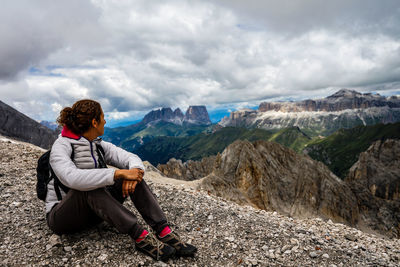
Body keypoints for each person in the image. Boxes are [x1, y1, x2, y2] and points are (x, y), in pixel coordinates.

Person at [46, 99, 197, 261]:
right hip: (62, 218)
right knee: (88, 187)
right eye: (103, 117)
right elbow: (72, 179)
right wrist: (117, 174)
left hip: (94, 213)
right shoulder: (61, 146)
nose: (106, 121)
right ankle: (140, 237)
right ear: (95, 122)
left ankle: (163, 230)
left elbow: (129, 157)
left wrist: (134, 172)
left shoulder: (97, 144)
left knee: (133, 175)